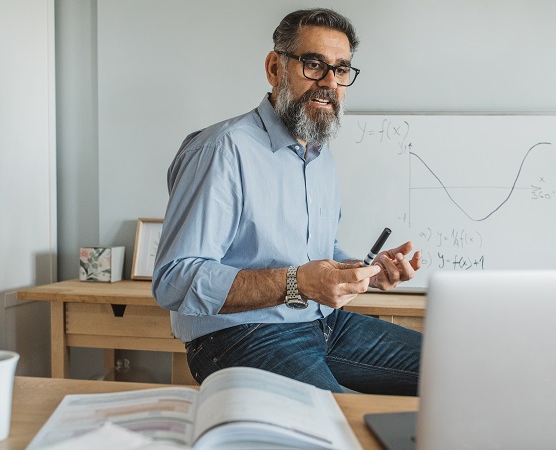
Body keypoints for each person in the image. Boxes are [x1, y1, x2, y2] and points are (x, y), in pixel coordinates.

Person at [152, 8, 422, 395]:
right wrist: (297, 284)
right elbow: (174, 281)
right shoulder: (221, 150)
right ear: (275, 67)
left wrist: (365, 272)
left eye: (341, 70)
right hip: (239, 335)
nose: (329, 82)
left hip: (325, 324)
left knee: (453, 369)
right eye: (314, 64)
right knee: (339, 421)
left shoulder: (319, 154)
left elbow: (318, 251)